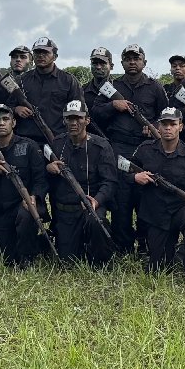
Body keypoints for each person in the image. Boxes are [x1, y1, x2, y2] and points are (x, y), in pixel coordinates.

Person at [99, 43, 168, 254]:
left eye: (136, 58)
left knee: (146, 196)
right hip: (118, 147)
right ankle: (123, 246)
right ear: (121, 63)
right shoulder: (111, 86)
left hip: (145, 148)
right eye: (128, 58)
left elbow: (165, 114)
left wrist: (155, 126)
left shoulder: (155, 87)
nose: (132, 62)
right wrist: (113, 106)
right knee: (122, 198)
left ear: (144, 62)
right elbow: (96, 113)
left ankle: (145, 244)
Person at [127, 108, 185, 282]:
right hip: (156, 213)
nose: (168, 128)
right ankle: (171, 253)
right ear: (158, 126)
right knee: (158, 267)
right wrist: (135, 176)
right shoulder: (145, 149)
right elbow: (124, 169)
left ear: (180, 126)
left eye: (173, 124)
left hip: (182, 208)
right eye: (164, 124)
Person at [0, 103, 49, 266]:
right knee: (3, 258)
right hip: (0, 211)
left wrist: (34, 196)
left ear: (13, 122)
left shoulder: (29, 146)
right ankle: (39, 243)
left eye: (6, 119)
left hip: (25, 205)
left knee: (26, 214)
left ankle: (28, 258)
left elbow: (40, 179)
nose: (1, 123)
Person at [46, 100, 117, 265]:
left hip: (90, 209)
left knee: (97, 224)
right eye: (69, 118)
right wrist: (48, 168)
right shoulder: (57, 144)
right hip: (65, 212)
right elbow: (44, 178)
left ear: (87, 120)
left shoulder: (101, 146)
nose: (73, 122)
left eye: (78, 118)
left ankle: (101, 260)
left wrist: (96, 200)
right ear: (64, 120)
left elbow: (110, 182)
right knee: (68, 261)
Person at [11, 36, 81, 142]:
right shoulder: (21, 80)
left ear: (55, 56)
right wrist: (16, 109)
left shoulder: (68, 80)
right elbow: (6, 106)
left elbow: (79, 111)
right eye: (37, 52)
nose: (40, 55)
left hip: (59, 140)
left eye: (45, 52)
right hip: (26, 140)